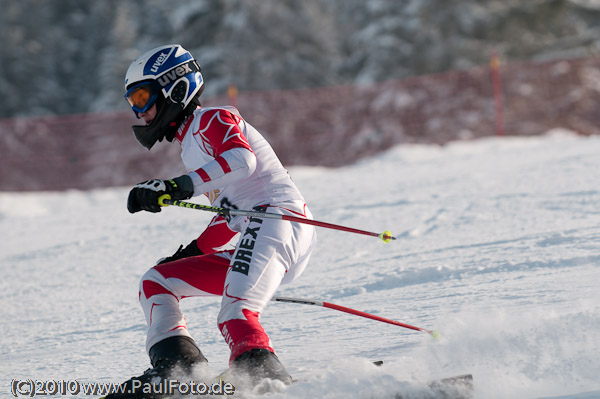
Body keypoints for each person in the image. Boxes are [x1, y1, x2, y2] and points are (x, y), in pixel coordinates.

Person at [112, 44, 317, 396]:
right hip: (258, 227)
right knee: (157, 281)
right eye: (133, 103)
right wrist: (189, 252)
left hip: (278, 222)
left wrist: (177, 187)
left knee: (235, 314)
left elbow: (242, 161)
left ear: (175, 87)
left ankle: (270, 385)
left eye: (143, 98)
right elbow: (228, 215)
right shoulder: (191, 144)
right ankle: (178, 368)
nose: (140, 111)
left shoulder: (213, 118)